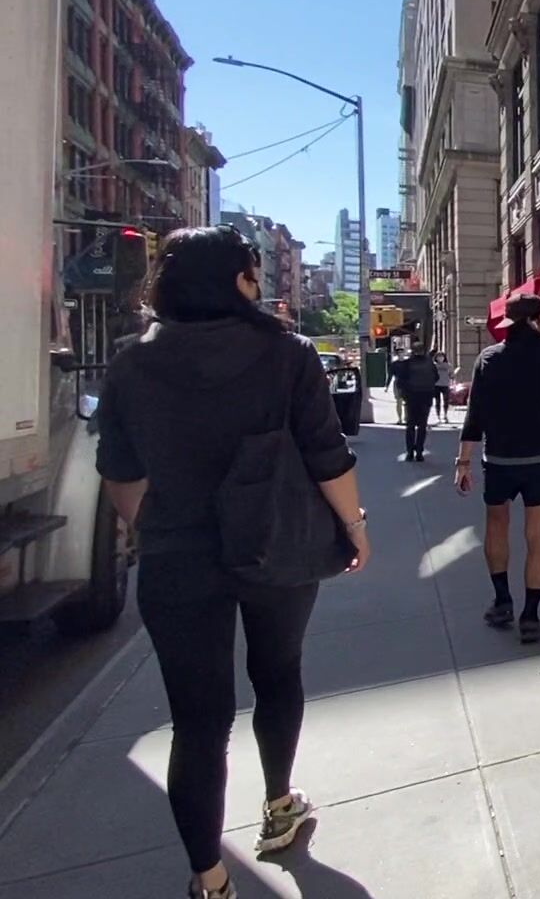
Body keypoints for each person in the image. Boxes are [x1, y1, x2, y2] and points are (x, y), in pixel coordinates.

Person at [94, 226, 371, 899]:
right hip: (277, 543)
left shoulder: (130, 363)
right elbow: (327, 455)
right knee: (277, 676)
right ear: (240, 280)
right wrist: (354, 528)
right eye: (253, 273)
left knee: (197, 723)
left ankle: (211, 880)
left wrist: (157, 526)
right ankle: (279, 807)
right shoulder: (288, 354)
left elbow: (119, 476)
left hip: (177, 559)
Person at [454, 293, 540, 644]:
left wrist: (463, 461)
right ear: (535, 319)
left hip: (499, 460)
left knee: (496, 526)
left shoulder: (489, 358)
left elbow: (474, 417)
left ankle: (502, 602)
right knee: (537, 535)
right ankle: (530, 616)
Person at [389, 343, 439, 462]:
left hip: (411, 398)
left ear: (412, 351)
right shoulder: (429, 363)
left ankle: (410, 452)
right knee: (422, 426)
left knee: (410, 425)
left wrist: (404, 394)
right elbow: (436, 377)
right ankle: (419, 452)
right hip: (426, 397)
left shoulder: (407, 364)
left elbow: (400, 381)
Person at [432, 350, 453, 422]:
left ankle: (445, 415)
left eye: (442, 357)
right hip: (436, 385)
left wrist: (452, 378)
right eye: (439, 357)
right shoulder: (434, 365)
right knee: (437, 401)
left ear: (444, 358)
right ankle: (438, 416)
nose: (440, 358)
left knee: (446, 400)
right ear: (436, 358)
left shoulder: (448, 365)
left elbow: (451, 374)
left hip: (445, 384)